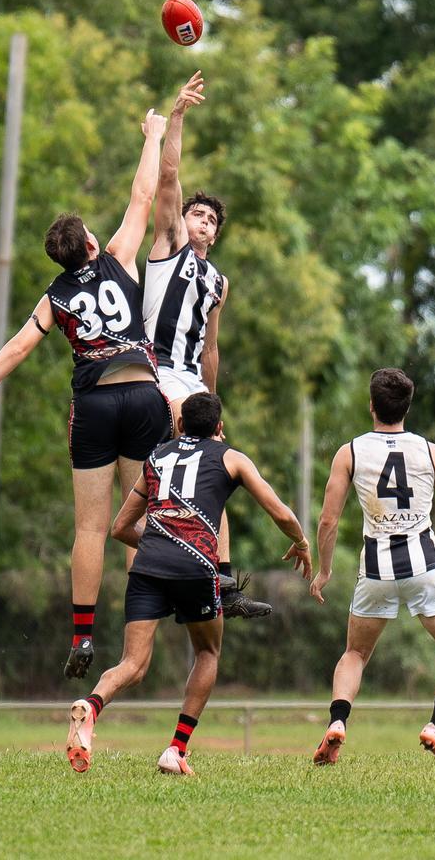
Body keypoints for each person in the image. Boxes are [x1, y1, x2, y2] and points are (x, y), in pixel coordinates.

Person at [0, 108, 172, 680]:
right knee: (135, 516)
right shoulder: (117, 258)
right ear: (90, 241)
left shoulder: (55, 296)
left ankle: (83, 635)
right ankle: (139, 633)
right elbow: (143, 196)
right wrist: (154, 135)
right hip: (142, 394)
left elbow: (17, 348)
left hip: (92, 406)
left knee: (89, 528)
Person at [65, 392, 312, 775]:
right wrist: (300, 541)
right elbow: (279, 511)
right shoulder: (230, 456)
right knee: (208, 652)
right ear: (219, 428)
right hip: (197, 568)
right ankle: (176, 749)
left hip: (146, 568)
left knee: (131, 664)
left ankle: (91, 706)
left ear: (179, 426)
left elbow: (119, 528)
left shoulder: (156, 457)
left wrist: (157, 545)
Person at [142, 71, 272, 619]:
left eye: (211, 219)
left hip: (193, 379)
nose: (202, 220)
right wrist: (177, 115)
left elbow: (212, 351)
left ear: (215, 235)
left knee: (221, 463)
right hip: (155, 369)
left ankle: (221, 575)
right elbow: (168, 175)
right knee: (178, 453)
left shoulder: (219, 281)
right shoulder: (168, 243)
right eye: (198, 213)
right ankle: (173, 553)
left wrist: (212, 413)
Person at [309, 368, 435, 768]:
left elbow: (328, 521)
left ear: (371, 406)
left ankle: (337, 722)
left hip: (376, 570)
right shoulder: (430, 450)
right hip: (423, 565)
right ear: (407, 407)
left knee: (355, 652)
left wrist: (325, 571)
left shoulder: (349, 451)